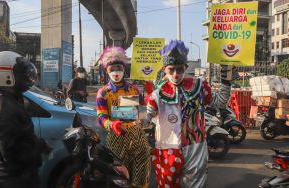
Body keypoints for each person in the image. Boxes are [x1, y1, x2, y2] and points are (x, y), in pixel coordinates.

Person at [144, 40, 233, 188]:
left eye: (179, 69)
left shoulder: (199, 86)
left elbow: (219, 103)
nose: (176, 74)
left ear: (186, 67)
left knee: (196, 185)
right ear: (164, 69)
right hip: (167, 147)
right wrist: (142, 121)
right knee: (167, 184)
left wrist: (226, 81)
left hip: (195, 146)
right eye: (171, 70)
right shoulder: (157, 94)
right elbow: (149, 114)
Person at [0, 51, 51, 188]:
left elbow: (21, 136)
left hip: (21, 178)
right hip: (12, 181)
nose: (27, 76)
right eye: (22, 72)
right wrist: (40, 147)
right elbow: (13, 154)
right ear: (5, 76)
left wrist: (40, 144)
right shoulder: (2, 109)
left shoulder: (12, 101)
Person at [96, 47, 151, 188]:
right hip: (117, 136)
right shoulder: (103, 93)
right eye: (111, 69)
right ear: (106, 71)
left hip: (137, 135)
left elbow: (143, 112)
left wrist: (149, 101)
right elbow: (101, 117)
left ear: (124, 69)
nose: (116, 72)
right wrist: (111, 124)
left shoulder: (134, 89)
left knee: (141, 169)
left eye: (118, 68)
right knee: (120, 174)